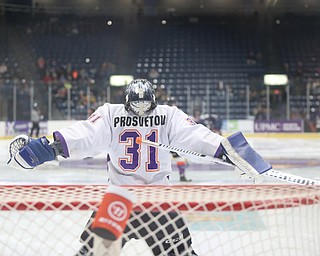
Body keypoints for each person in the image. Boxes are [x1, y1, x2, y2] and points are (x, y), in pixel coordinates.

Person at [8, 79, 271, 255]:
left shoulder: (111, 113)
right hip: (160, 205)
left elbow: (86, 135)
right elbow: (198, 138)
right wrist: (230, 151)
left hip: (119, 203)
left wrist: (48, 147)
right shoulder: (169, 114)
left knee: (94, 254)